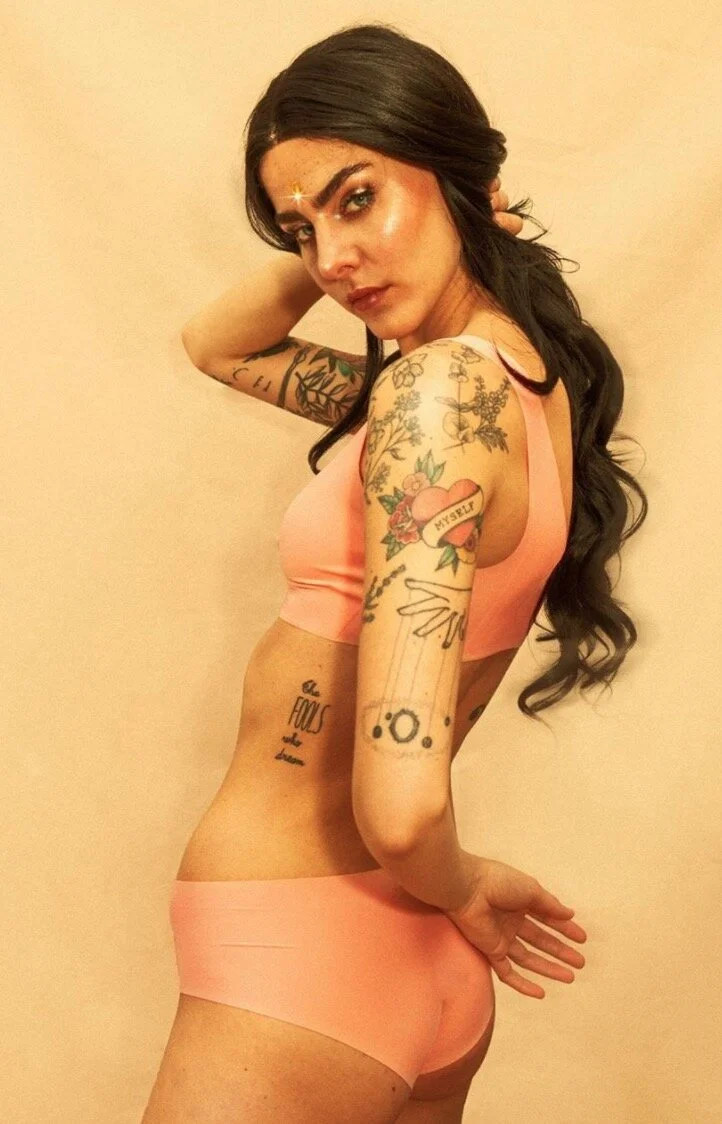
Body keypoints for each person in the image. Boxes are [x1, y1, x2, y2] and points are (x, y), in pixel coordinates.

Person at [142, 22, 647, 1124]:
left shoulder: (431, 399)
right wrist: (340, 223)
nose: (329, 261)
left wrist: (461, 880)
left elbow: (404, 806)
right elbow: (219, 344)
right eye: (301, 229)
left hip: (300, 961)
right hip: (398, 958)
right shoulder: (514, 384)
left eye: (357, 199)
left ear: (458, 174)